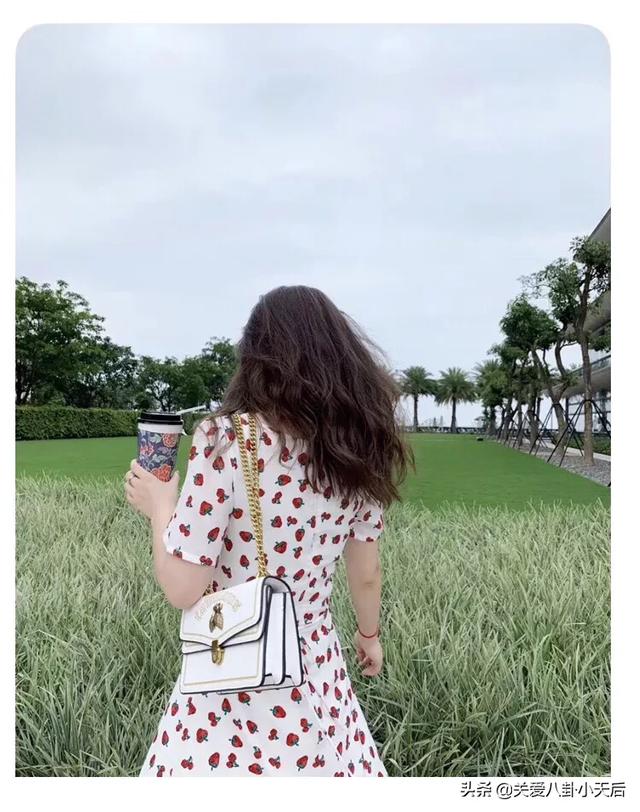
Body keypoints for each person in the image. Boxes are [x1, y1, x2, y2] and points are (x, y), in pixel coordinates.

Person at [125, 285, 413, 777]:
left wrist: (160, 506)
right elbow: (366, 570)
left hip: (231, 670)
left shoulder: (226, 438)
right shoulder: (358, 448)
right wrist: (370, 636)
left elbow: (183, 587)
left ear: (256, 357)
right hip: (315, 665)